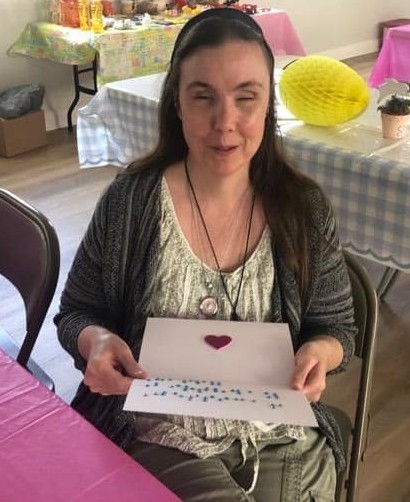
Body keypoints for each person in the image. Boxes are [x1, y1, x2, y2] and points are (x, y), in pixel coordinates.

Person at [54, 8, 357, 502]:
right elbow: (78, 313)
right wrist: (97, 340)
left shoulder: (304, 207)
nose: (225, 123)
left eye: (246, 97)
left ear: (268, 104)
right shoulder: (132, 200)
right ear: (176, 101)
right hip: (156, 431)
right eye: (203, 97)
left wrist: (320, 353)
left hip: (279, 436)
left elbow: (336, 326)